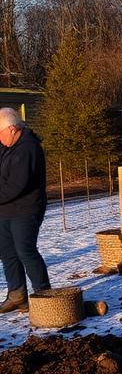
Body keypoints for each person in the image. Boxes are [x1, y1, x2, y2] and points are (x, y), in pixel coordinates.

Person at [0, 107, 50, 312]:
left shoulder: (28, 148)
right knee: (7, 252)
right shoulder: (6, 147)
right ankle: (17, 294)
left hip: (27, 209)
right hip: (5, 210)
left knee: (25, 250)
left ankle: (44, 296)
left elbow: (16, 185)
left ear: (12, 129)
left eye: (0, 133)